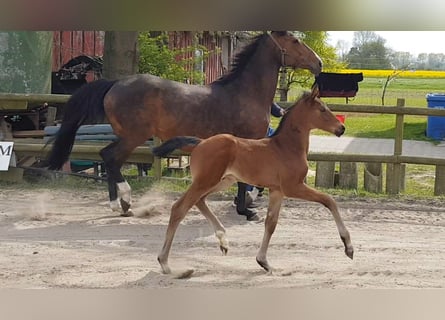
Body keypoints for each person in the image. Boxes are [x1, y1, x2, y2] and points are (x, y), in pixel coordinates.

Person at [235, 102, 285, 221]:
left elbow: (272, 106)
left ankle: (252, 192)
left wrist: (281, 111)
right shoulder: (251, 92)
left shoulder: (259, 91)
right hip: (254, 131)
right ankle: (249, 193)